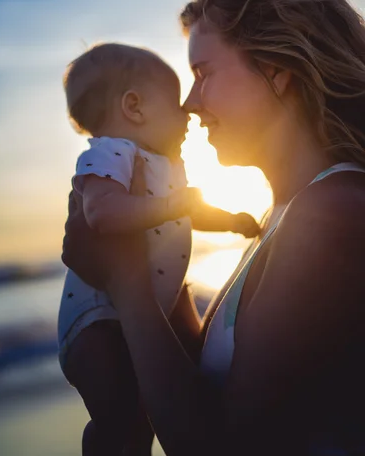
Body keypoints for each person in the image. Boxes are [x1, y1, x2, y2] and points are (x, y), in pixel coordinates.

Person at [62, 0, 365, 455]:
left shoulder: (331, 214)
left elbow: (217, 444)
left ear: (275, 71)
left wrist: (126, 279)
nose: (189, 105)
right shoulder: (285, 216)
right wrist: (158, 268)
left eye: (203, 74)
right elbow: (206, 386)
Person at [58, 42, 259, 455]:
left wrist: (228, 220)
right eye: (173, 101)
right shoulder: (112, 153)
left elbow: (186, 211)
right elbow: (101, 212)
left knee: (157, 408)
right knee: (120, 424)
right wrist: (174, 204)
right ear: (134, 106)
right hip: (98, 320)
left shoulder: (165, 163)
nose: (186, 110)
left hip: (148, 304)